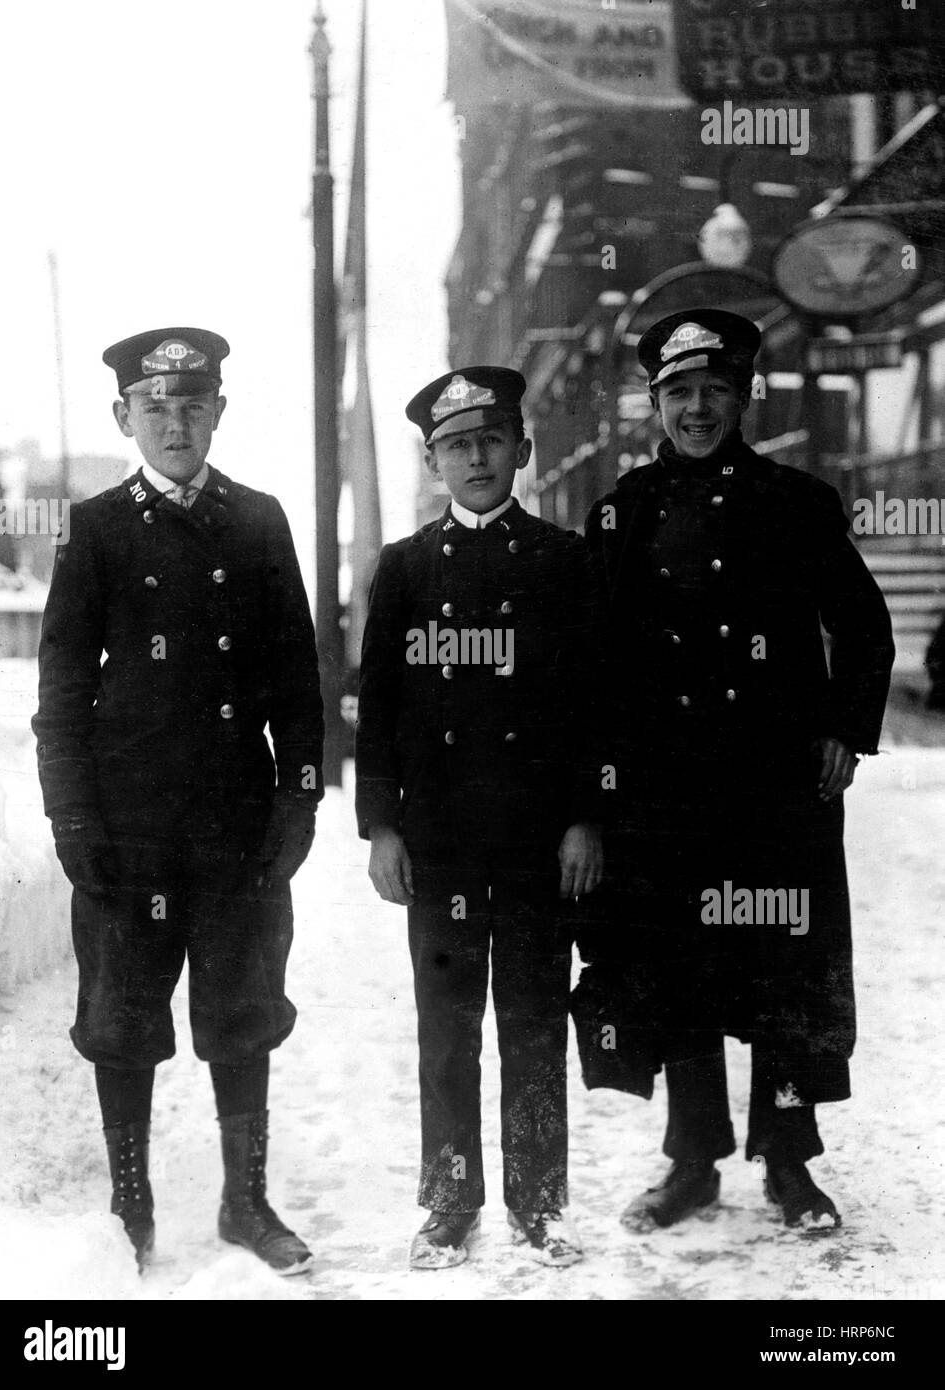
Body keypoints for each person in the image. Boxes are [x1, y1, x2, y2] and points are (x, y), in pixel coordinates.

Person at [574, 310, 895, 1233]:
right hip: (663, 794)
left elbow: (862, 627)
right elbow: (592, 656)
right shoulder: (622, 510)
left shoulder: (796, 503)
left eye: (715, 389)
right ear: (654, 403)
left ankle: (790, 1164)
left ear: (744, 395)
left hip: (775, 792)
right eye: (678, 392)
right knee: (679, 972)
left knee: (785, 973)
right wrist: (600, 780)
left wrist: (844, 727)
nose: (697, 408)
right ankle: (692, 1160)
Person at [32, 327, 323, 1275]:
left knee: (243, 1012)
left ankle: (245, 1201)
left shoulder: (259, 520)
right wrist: (72, 819)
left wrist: (298, 802)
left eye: (192, 405)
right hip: (128, 828)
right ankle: (130, 1202)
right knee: (121, 1018)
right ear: (126, 418)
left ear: (219, 413)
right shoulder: (95, 527)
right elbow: (62, 694)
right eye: (155, 409)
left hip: (236, 828)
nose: (175, 423)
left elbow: (296, 682)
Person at [355, 367, 604, 1268]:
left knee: (534, 1024)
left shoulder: (566, 561)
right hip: (444, 843)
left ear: (521, 451)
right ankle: (448, 1204)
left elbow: (592, 703)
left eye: (491, 439)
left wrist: (585, 817)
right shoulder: (406, 567)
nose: (477, 457)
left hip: (538, 841)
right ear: (432, 462)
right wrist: (381, 826)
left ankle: (539, 1205)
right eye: (456, 445)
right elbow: (375, 705)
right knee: (447, 1032)